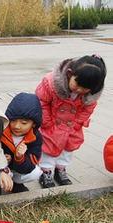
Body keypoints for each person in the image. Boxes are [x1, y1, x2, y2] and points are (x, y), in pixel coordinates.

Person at [36, 55, 106, 188]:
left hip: (71, 125)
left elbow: (88, 109)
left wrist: (78, 123)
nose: (79, 90)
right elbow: (42, 101)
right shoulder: (51, 83)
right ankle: (46, 171)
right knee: (49, 148)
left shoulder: (90, 96)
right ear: (70, 74)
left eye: (85, 89)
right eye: (77, 84)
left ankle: (60, 168)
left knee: (68, 147)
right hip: (52, 123)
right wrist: (46, 122)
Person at [0, 93, 43, 195]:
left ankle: (16, 184)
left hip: (17, 168)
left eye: (24, 123)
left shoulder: (35, 138)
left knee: (35, 172)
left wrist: (19, 157)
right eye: (13, 120)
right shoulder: (0, 130)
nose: (17, 126)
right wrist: (2, 159)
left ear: (34, 123)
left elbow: (30, 165)